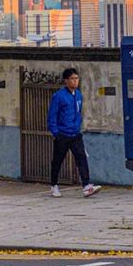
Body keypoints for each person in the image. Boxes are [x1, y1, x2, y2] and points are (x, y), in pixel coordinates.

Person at [47, 66, 101, 198]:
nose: (75, 81)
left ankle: (86, 186)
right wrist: (56, 133)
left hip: (75, 134)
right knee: (58, 160)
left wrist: (77, 126)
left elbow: (78, 112)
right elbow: (52, 116)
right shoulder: (59, 96)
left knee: (82, 158)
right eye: (72, 79)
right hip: (62, 134)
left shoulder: (78, 95)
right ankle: (54, 185)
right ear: (66, 80)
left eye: (77, 78)